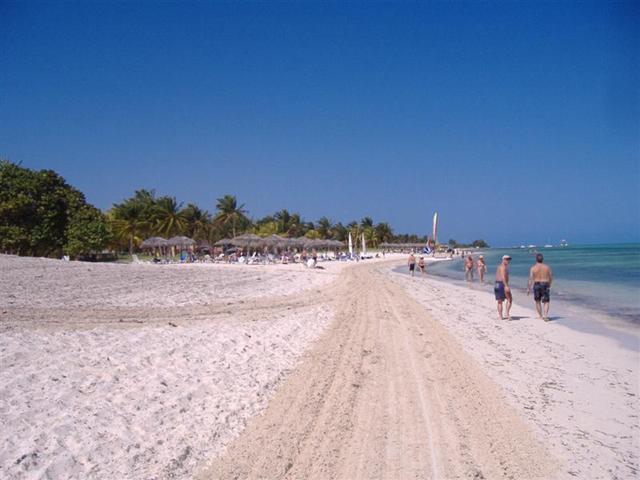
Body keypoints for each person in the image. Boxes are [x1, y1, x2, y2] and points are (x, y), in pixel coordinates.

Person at [528, 253, 553, 321]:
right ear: (542, 259)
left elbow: (531, 278)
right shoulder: (547, 267)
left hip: (537, 284)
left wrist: (528, 288)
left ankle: (540, 316)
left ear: (536, 259)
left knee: (537, 301)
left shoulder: (533, 268)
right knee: (546, 301)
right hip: (545, 283)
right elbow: (551, 276)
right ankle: (545, 315)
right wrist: (549, 284)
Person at [495, 255, 513, 320]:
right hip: (501, 284)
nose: (508, 261)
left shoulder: (500, 266)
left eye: (509, 259)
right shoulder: (503, 267)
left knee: (500, 301)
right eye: (506, 259)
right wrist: (506, 286)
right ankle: (507, 314)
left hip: (497, 284)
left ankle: (500, 316)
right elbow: (503, 277)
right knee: (509, 299)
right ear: (503, 260)